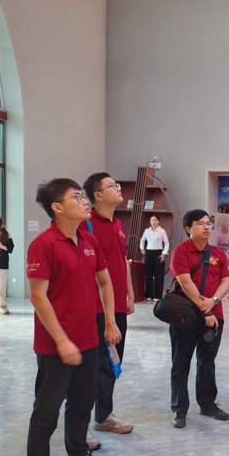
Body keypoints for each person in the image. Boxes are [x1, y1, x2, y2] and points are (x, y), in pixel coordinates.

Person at [25, 178, 120, 456]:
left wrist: (109, 321)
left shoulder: (89, 239)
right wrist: (62, 340)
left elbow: (104, 281)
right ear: (57, 207)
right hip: (55, 345)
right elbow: (38, 296)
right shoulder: (44, 244)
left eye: (83, 196)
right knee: (47, 410)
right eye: (77, 197)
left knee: (82, 403)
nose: (85, 201)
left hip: (89, 339)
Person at [81, 172, 134, 440]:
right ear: (98, 195)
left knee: (112, 363)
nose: (118, 188)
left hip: (117, 307)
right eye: (112, 186)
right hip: (95, 308)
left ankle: (103, 416)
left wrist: (130, 293)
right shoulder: (86, 224)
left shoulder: (118, 224)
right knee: (90, 368)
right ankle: (79, 427)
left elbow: (122, 261)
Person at [169, 209, 229, 428]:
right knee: (180, 363)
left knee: (207, 362)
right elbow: (186, 283)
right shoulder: (180, 252)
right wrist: (205, 310)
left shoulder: (218, 253)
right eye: (200, 223)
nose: (206, 227)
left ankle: (207, 404)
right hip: (185, 316)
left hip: (215, 316)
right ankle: (179, 409)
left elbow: (226, 281)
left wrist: (213, 301)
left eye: (208, 223)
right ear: (188, 228)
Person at [140, 214, 170, 301]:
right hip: (149, 253)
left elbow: (166, 243)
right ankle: (148, 295)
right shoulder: (147, 231)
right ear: (150, 221)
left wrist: (163, 254)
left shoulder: (162, 231)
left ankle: (158, 296)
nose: (153, 222)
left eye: (155, 220)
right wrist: (142, 248)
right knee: (148, 274)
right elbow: (142, 241)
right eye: (152, 220)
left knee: (159, 274)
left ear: (158, 221)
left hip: (158, 253)